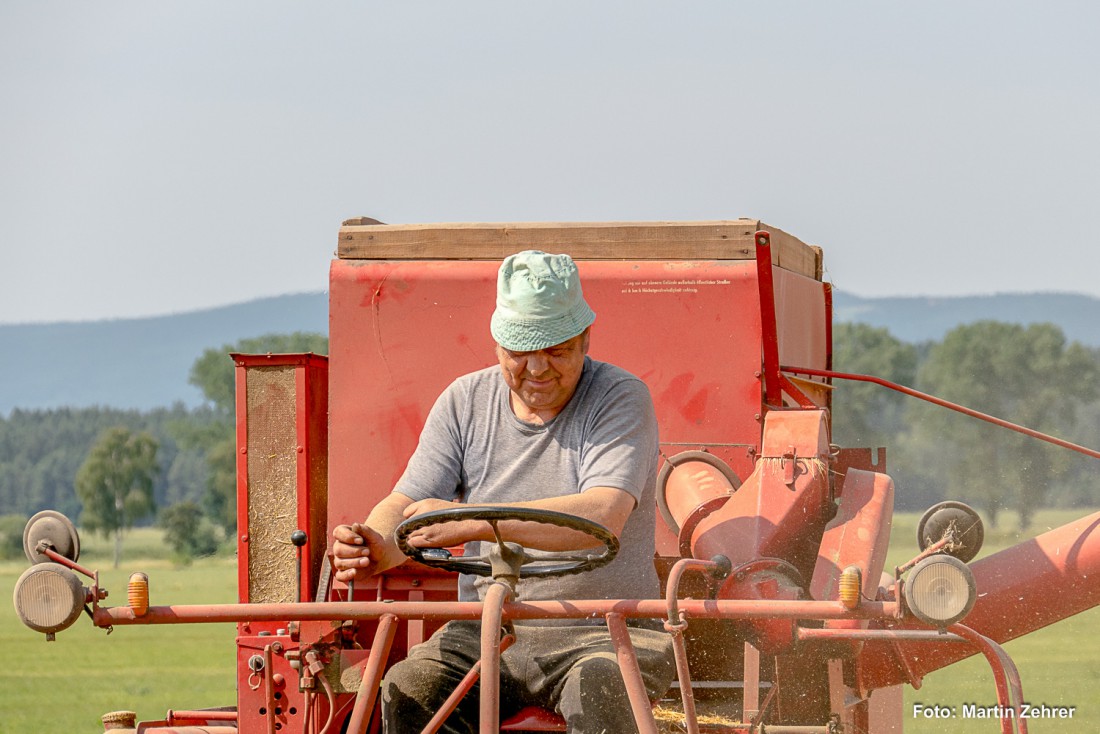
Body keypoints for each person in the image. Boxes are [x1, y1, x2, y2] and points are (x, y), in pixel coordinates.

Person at [332, 250, 674, 733]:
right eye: (520, 352)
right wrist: (373, 543)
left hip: (606, 630)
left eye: (557, 350)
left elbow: (603, 515)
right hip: (486, 631)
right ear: (497, 344)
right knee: (409, 686)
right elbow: (406, 504)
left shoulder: (619, 396)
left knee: (601, 684)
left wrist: (474, 521)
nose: (537, 369)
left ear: (585, 340)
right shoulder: (464, 400)